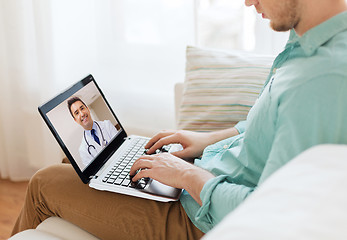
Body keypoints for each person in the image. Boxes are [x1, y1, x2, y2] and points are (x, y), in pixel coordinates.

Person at [12, 0, 347, 239]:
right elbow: (268, 130)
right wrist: (206, 140)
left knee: (43, 183)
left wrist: (188, 176)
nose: (247, 3)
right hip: (204, 180)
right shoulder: (307, 44)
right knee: (84, 166)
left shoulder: (322, 78)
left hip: (199, 219)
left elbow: (272, 213)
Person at [67, 97, 118, 167]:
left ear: (87, 109)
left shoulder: (107, 125)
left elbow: (122, 147)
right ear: (75, 120)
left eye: (82, 108)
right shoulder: (83, 150)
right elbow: (94, 173)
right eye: (77, 113)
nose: (82, 114)